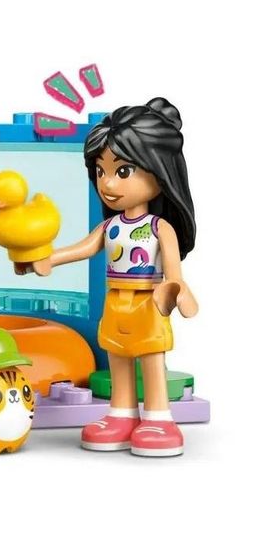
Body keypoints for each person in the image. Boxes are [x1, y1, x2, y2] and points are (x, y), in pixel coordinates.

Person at [25, 97, 197, 457]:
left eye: (122, 171)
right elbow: (83, 248)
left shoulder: (159, 227)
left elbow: (174, 273)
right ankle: (121, 414)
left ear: (160, 172)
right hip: (115, 303)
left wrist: (176, 291)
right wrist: (48, 259)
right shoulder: (110, 226)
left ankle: (159, 417)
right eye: (100, 171)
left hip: (148, 304)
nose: (107, 183)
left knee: (151, 360)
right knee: (118, 358)